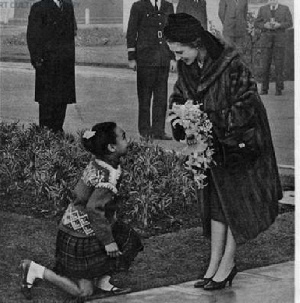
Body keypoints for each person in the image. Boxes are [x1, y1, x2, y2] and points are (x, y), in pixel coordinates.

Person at [164, 13, 282, 290]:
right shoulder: (189, 66)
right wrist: (181, 120)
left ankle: (227, 263)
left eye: (181, 51)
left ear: (196, 43)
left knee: (235, 203)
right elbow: (178, 97)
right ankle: (214, 263)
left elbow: (247, 104)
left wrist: (206, 119)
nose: (179, 58)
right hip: (211, 145)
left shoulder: (232, 63)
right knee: (217, 201)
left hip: (240, 143)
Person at [20, 122, 143, 301]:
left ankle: (103, 282)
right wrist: (108, 242)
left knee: (128, 238)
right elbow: (94, 209)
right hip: (79, 236)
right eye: (123, 137)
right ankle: (35, 270)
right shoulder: (107, 176)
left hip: (80, 228)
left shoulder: (102, 161)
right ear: (111, 147)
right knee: (84, 292)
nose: (128, 140)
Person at [126, 0, 177, 140]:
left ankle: (158, 130)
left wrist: (172, 57)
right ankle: (144, 130)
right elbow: (131, 32)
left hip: (162, 59)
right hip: (145, 59)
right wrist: (132, 57)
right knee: (145, 98)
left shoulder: (168, 6)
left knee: (161, 98)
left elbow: (171, 33)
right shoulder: (138, 6)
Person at [27, 0, 77, 133]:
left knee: (63, 99)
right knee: (47, 100)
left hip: (65, 63)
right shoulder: (39, 7)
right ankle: (46, 134)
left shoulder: (67, 5)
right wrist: (37, 59)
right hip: (47, 63)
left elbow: (71, 32)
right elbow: (33, 35)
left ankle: (58, 130)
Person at [254, 0, 293, 96]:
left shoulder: (285, 9)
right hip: (266, 41)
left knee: (279, 65)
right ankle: (264, 89)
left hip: (279, 41)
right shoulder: (262, 9)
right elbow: (256, 23)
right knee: (265, 65)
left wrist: (279, 25)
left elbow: (289, 23)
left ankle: (279, 89)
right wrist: (264, 25)